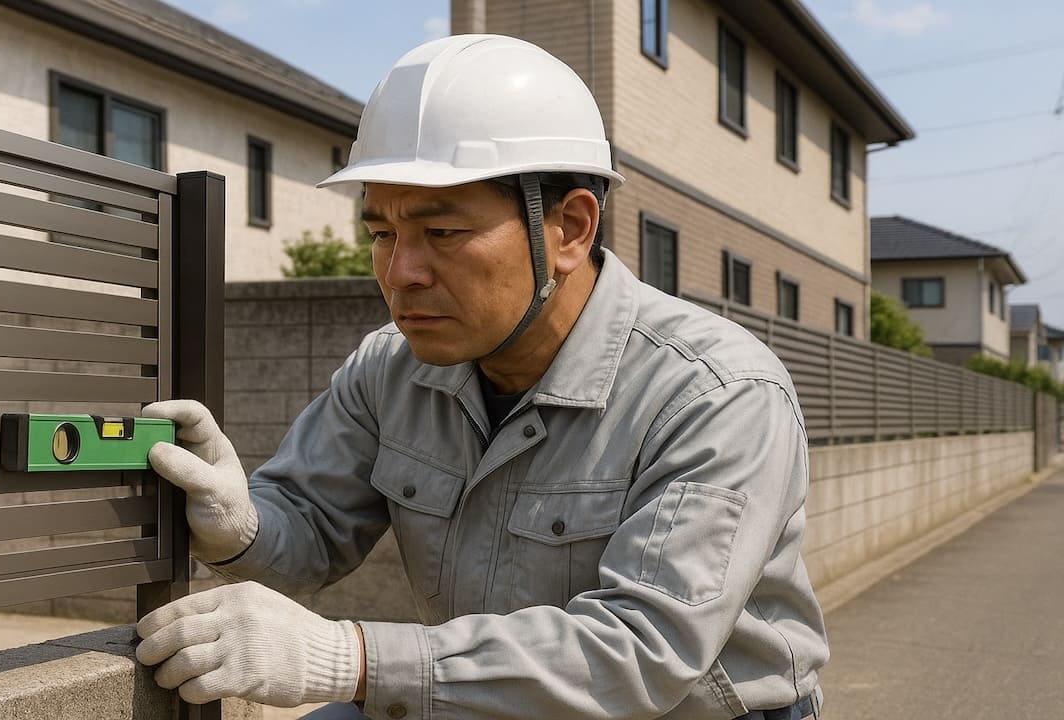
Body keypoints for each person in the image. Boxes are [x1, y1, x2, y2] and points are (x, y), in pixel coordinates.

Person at [134, 34, 828, 720]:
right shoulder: (390, 368)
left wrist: (350, 658)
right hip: (491, 698)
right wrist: (238, 525)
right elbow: (311, 533)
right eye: (382, 233)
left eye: (442, 234)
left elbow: (642, 652)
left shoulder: (715, 392)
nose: (401, 272)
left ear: (571, 228)